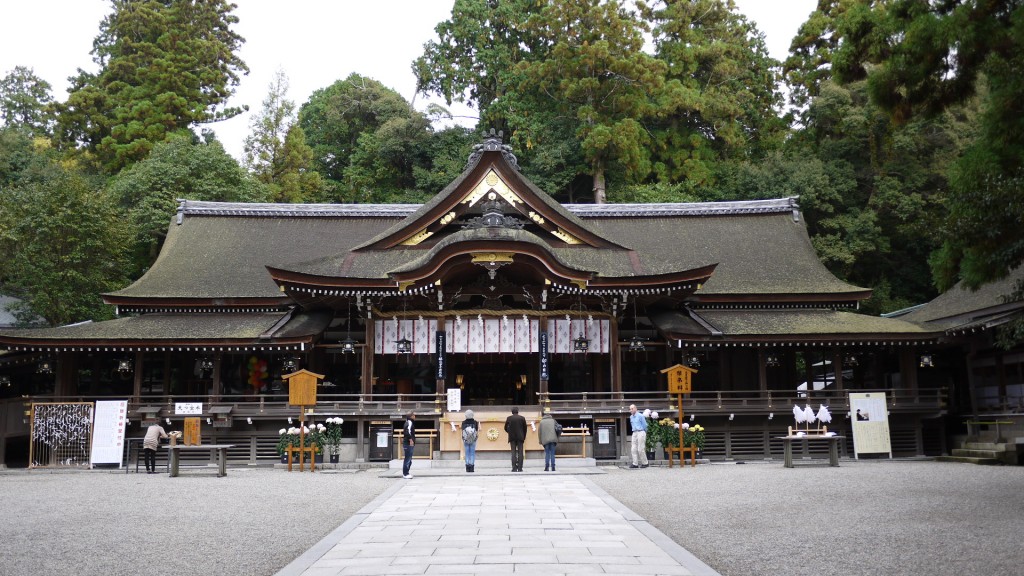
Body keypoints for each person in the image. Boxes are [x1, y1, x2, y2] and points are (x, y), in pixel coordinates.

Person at [504, 406, 527, 472]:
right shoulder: (522, 418)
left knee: (513, 452)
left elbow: (505, 427)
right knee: (520, 452)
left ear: (512, 412)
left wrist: (509, 432)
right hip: (520, 437)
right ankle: (520, 468)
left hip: (512, 437)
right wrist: (523, 436)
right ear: (517, 411)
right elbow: (525, 428)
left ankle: (514, 468)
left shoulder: (509, 418)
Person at [628, 404, 649, 469]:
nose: (631, 410)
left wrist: (644, 432)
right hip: (634, 432)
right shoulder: (631, 417)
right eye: (630, 409)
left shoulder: (640, 416)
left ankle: (645, 463)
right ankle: (635, 463)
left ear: (635, 409)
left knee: (640, 448)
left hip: (641, 431)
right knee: (633, 449)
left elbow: (645, 425)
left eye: (632, 408)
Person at [402, 411, 416, 479]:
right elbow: (407, 432)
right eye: (414, 415)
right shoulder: (409, 422)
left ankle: (406, 472)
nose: (415, 416)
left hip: (408, 443)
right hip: (408, 443)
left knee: (409, 459)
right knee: (407, 459)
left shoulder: (408, 422)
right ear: (411, 416)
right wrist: (410, 439)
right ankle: (405, 473)